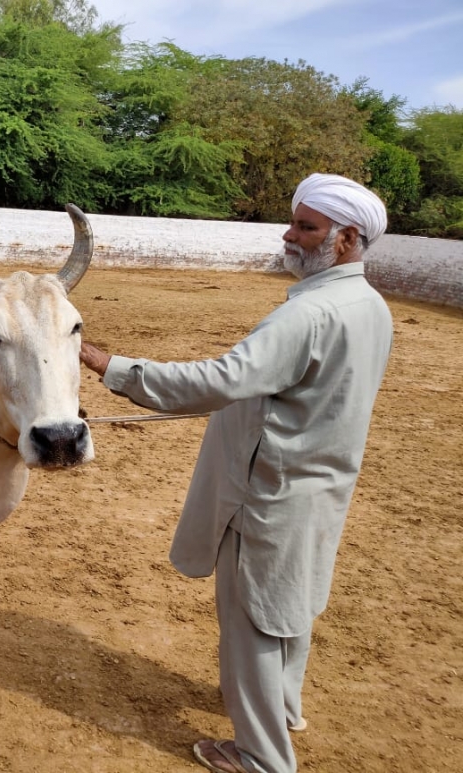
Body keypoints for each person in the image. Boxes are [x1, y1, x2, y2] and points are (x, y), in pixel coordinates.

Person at [79, 174, 393, 773]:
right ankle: (285, 707)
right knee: (291, 605)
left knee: (252, 619)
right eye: (295, 223)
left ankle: (261, 755)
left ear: (348, 238)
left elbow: (219, 381)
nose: (289, 235)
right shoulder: (369, 305)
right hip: (318, 486)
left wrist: (105, 363)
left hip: (268, 495)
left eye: (307, 227)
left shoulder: (313, 313)